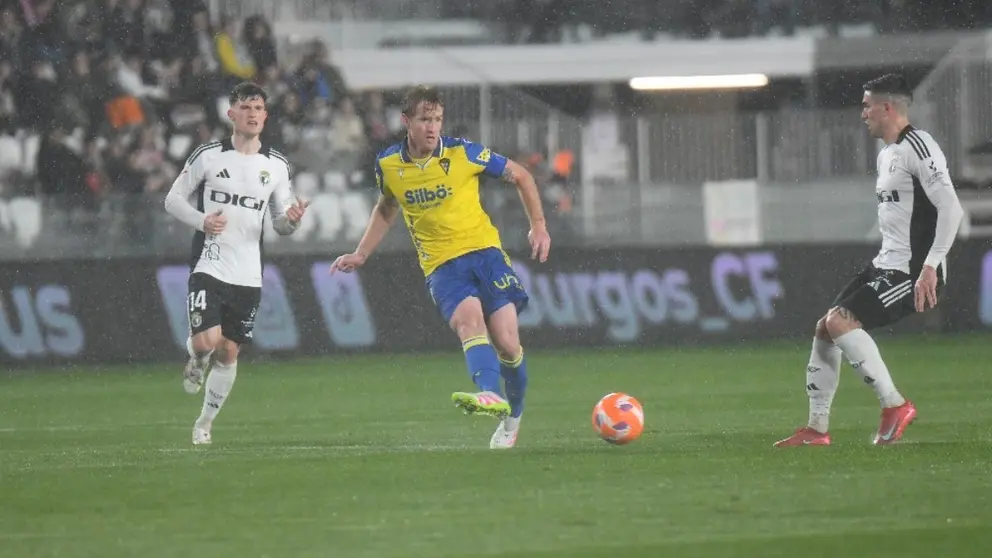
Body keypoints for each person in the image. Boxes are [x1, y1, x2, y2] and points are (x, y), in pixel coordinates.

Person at [329, 85, 551, 450]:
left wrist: (539, 224)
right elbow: (387, 207)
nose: (432, 127)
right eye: (424, 119)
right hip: (442, 265)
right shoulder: (389, 164)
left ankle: (512, 420)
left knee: (509, 344)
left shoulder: (464, 153)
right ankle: (489, 394)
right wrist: (361, 253)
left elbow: (522, 176)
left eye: (437, 119)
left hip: (486, 254)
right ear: (406, 122)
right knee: (468, 321)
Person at [776, 73, 964, 447]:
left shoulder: (919, 146)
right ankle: (816, 429)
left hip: (912, 270)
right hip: (886, 264)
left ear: (887, 107)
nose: (862, 114)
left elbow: (952, 208)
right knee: (825, 328)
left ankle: (895, 405)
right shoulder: (887, 155)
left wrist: (930, 266)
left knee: (840, 322)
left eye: (866, 106)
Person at [164, 82, 309, 446]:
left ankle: (204, 424)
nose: (253, 114)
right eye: (246, 107)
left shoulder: (275, 165)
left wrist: (291, 220)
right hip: (210, 262)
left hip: (248, 271)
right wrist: (202, 221)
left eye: (259, 108)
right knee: (206, 342)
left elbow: (280, 224)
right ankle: (196, 360)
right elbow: (172, 199)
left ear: (266, 115)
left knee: (229, 351)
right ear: (231, 113)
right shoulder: (209, 155)